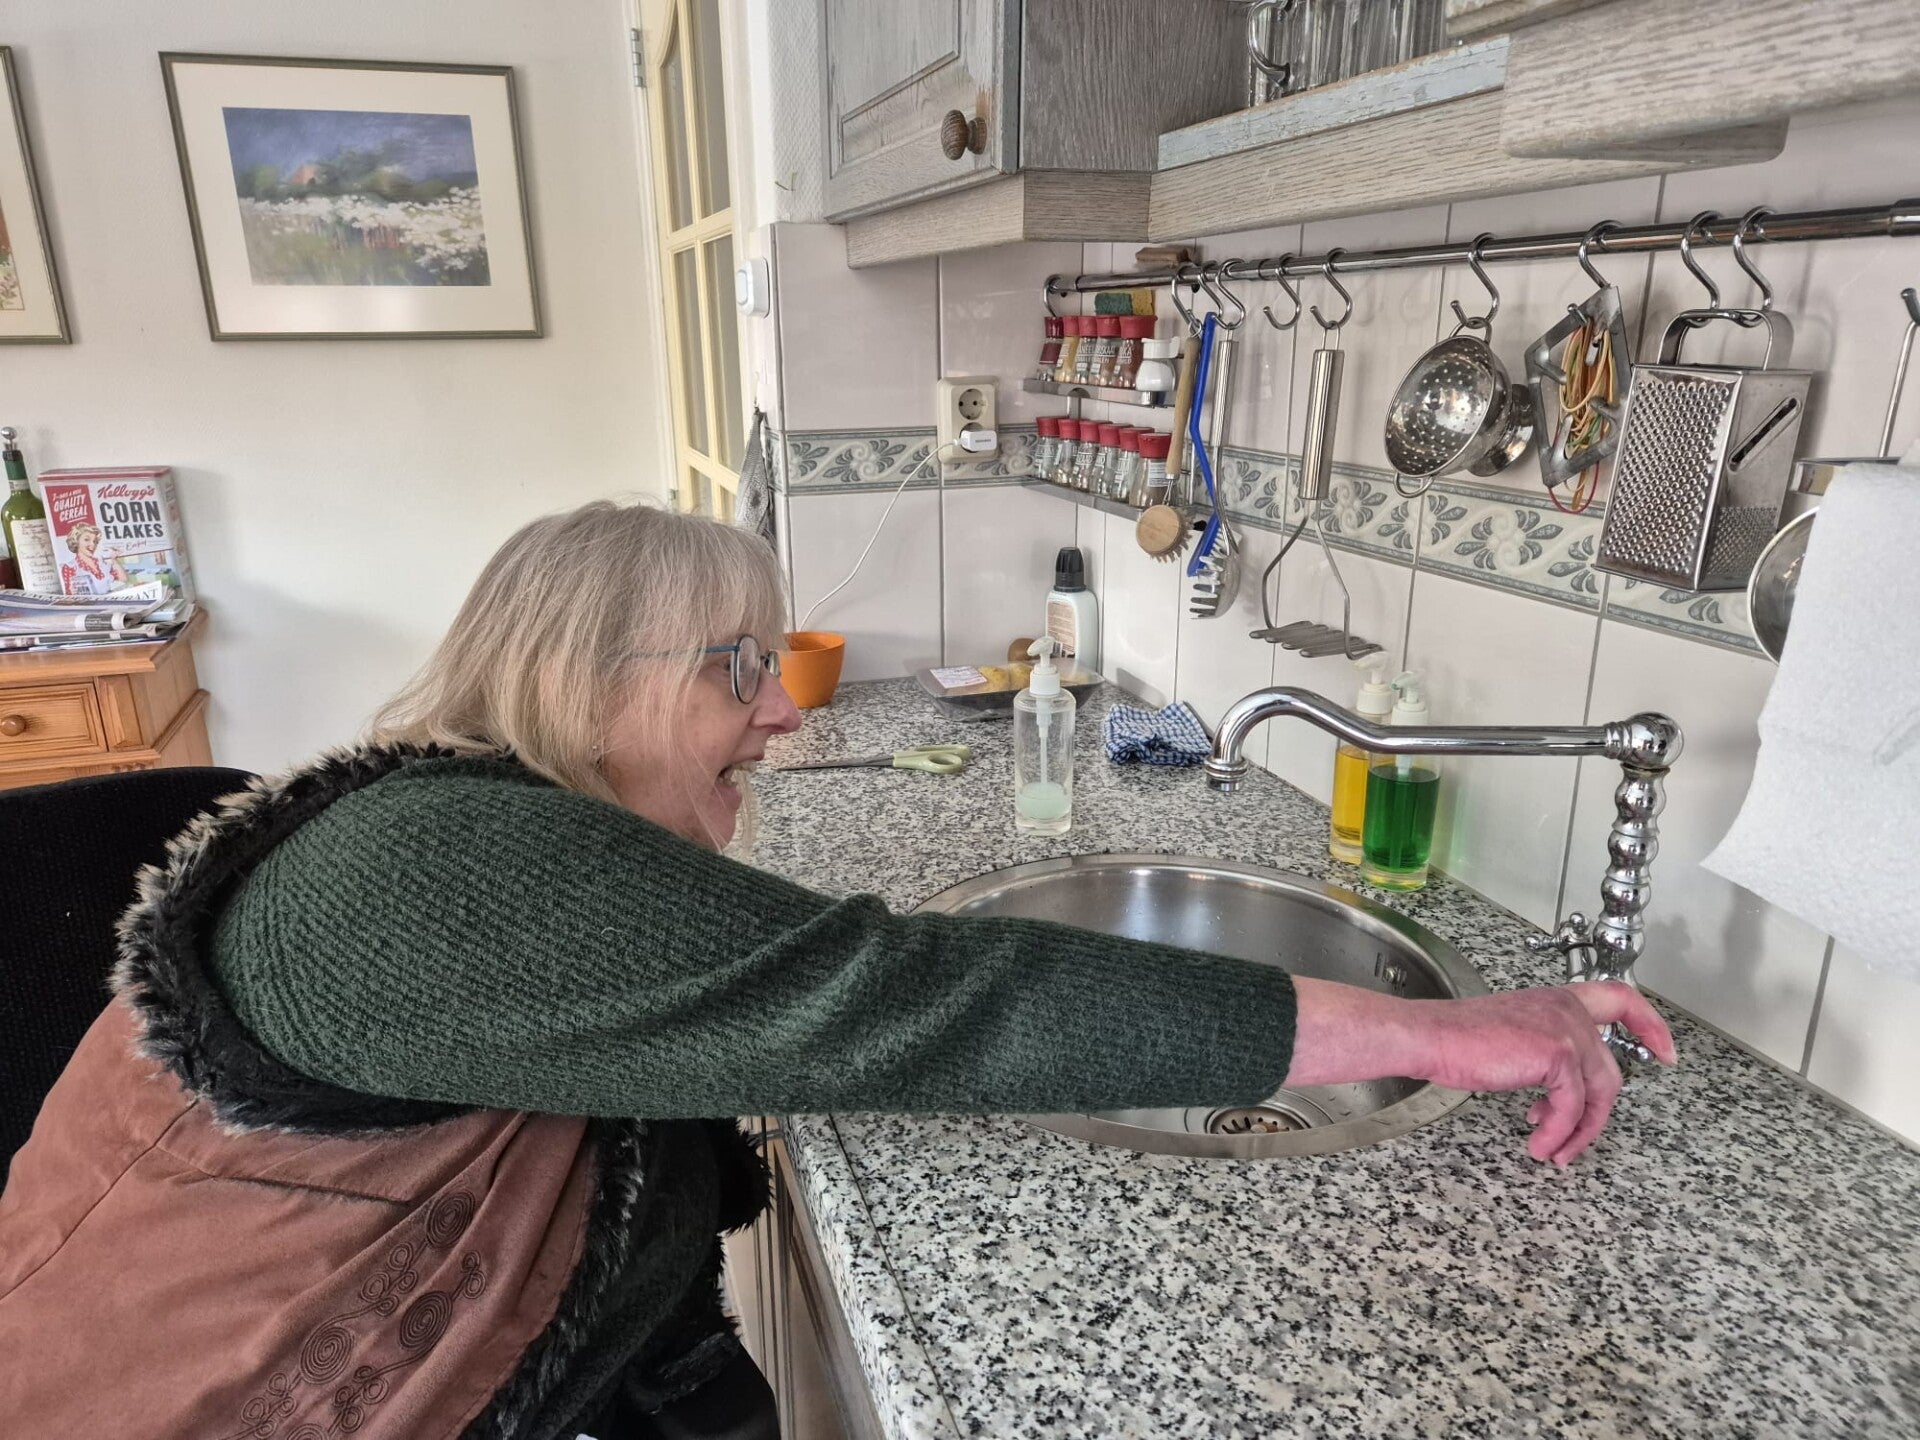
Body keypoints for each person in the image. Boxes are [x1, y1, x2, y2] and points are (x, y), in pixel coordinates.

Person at [0, 500, 1675, 1439]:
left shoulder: (467, 822)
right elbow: (919, 1000)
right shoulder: (448, 871)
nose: (785, 712)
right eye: (738, 668)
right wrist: (1443, 1031)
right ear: (589, 680)